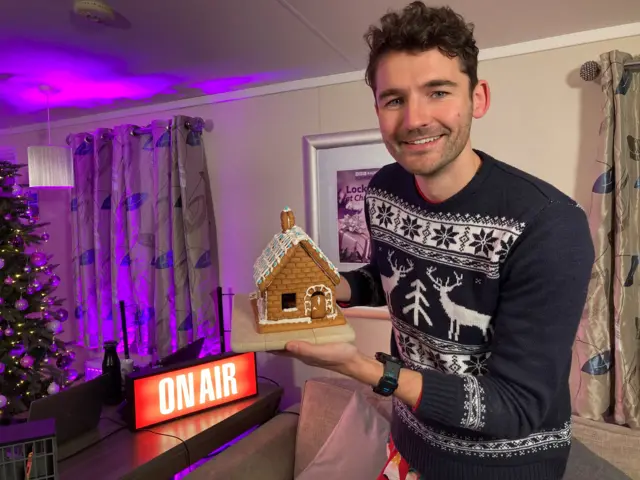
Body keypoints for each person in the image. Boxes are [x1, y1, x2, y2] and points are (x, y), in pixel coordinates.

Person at [279, 2, 595, 479]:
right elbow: (388, 274)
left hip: (505, 468)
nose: (415, 119)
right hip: (410, 445)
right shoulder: (384, 188)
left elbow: (516, 405)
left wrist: (364, 368)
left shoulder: (549, 225)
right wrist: (329, 288)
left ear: (478, 98)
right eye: (394, 99)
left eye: (438, 91)